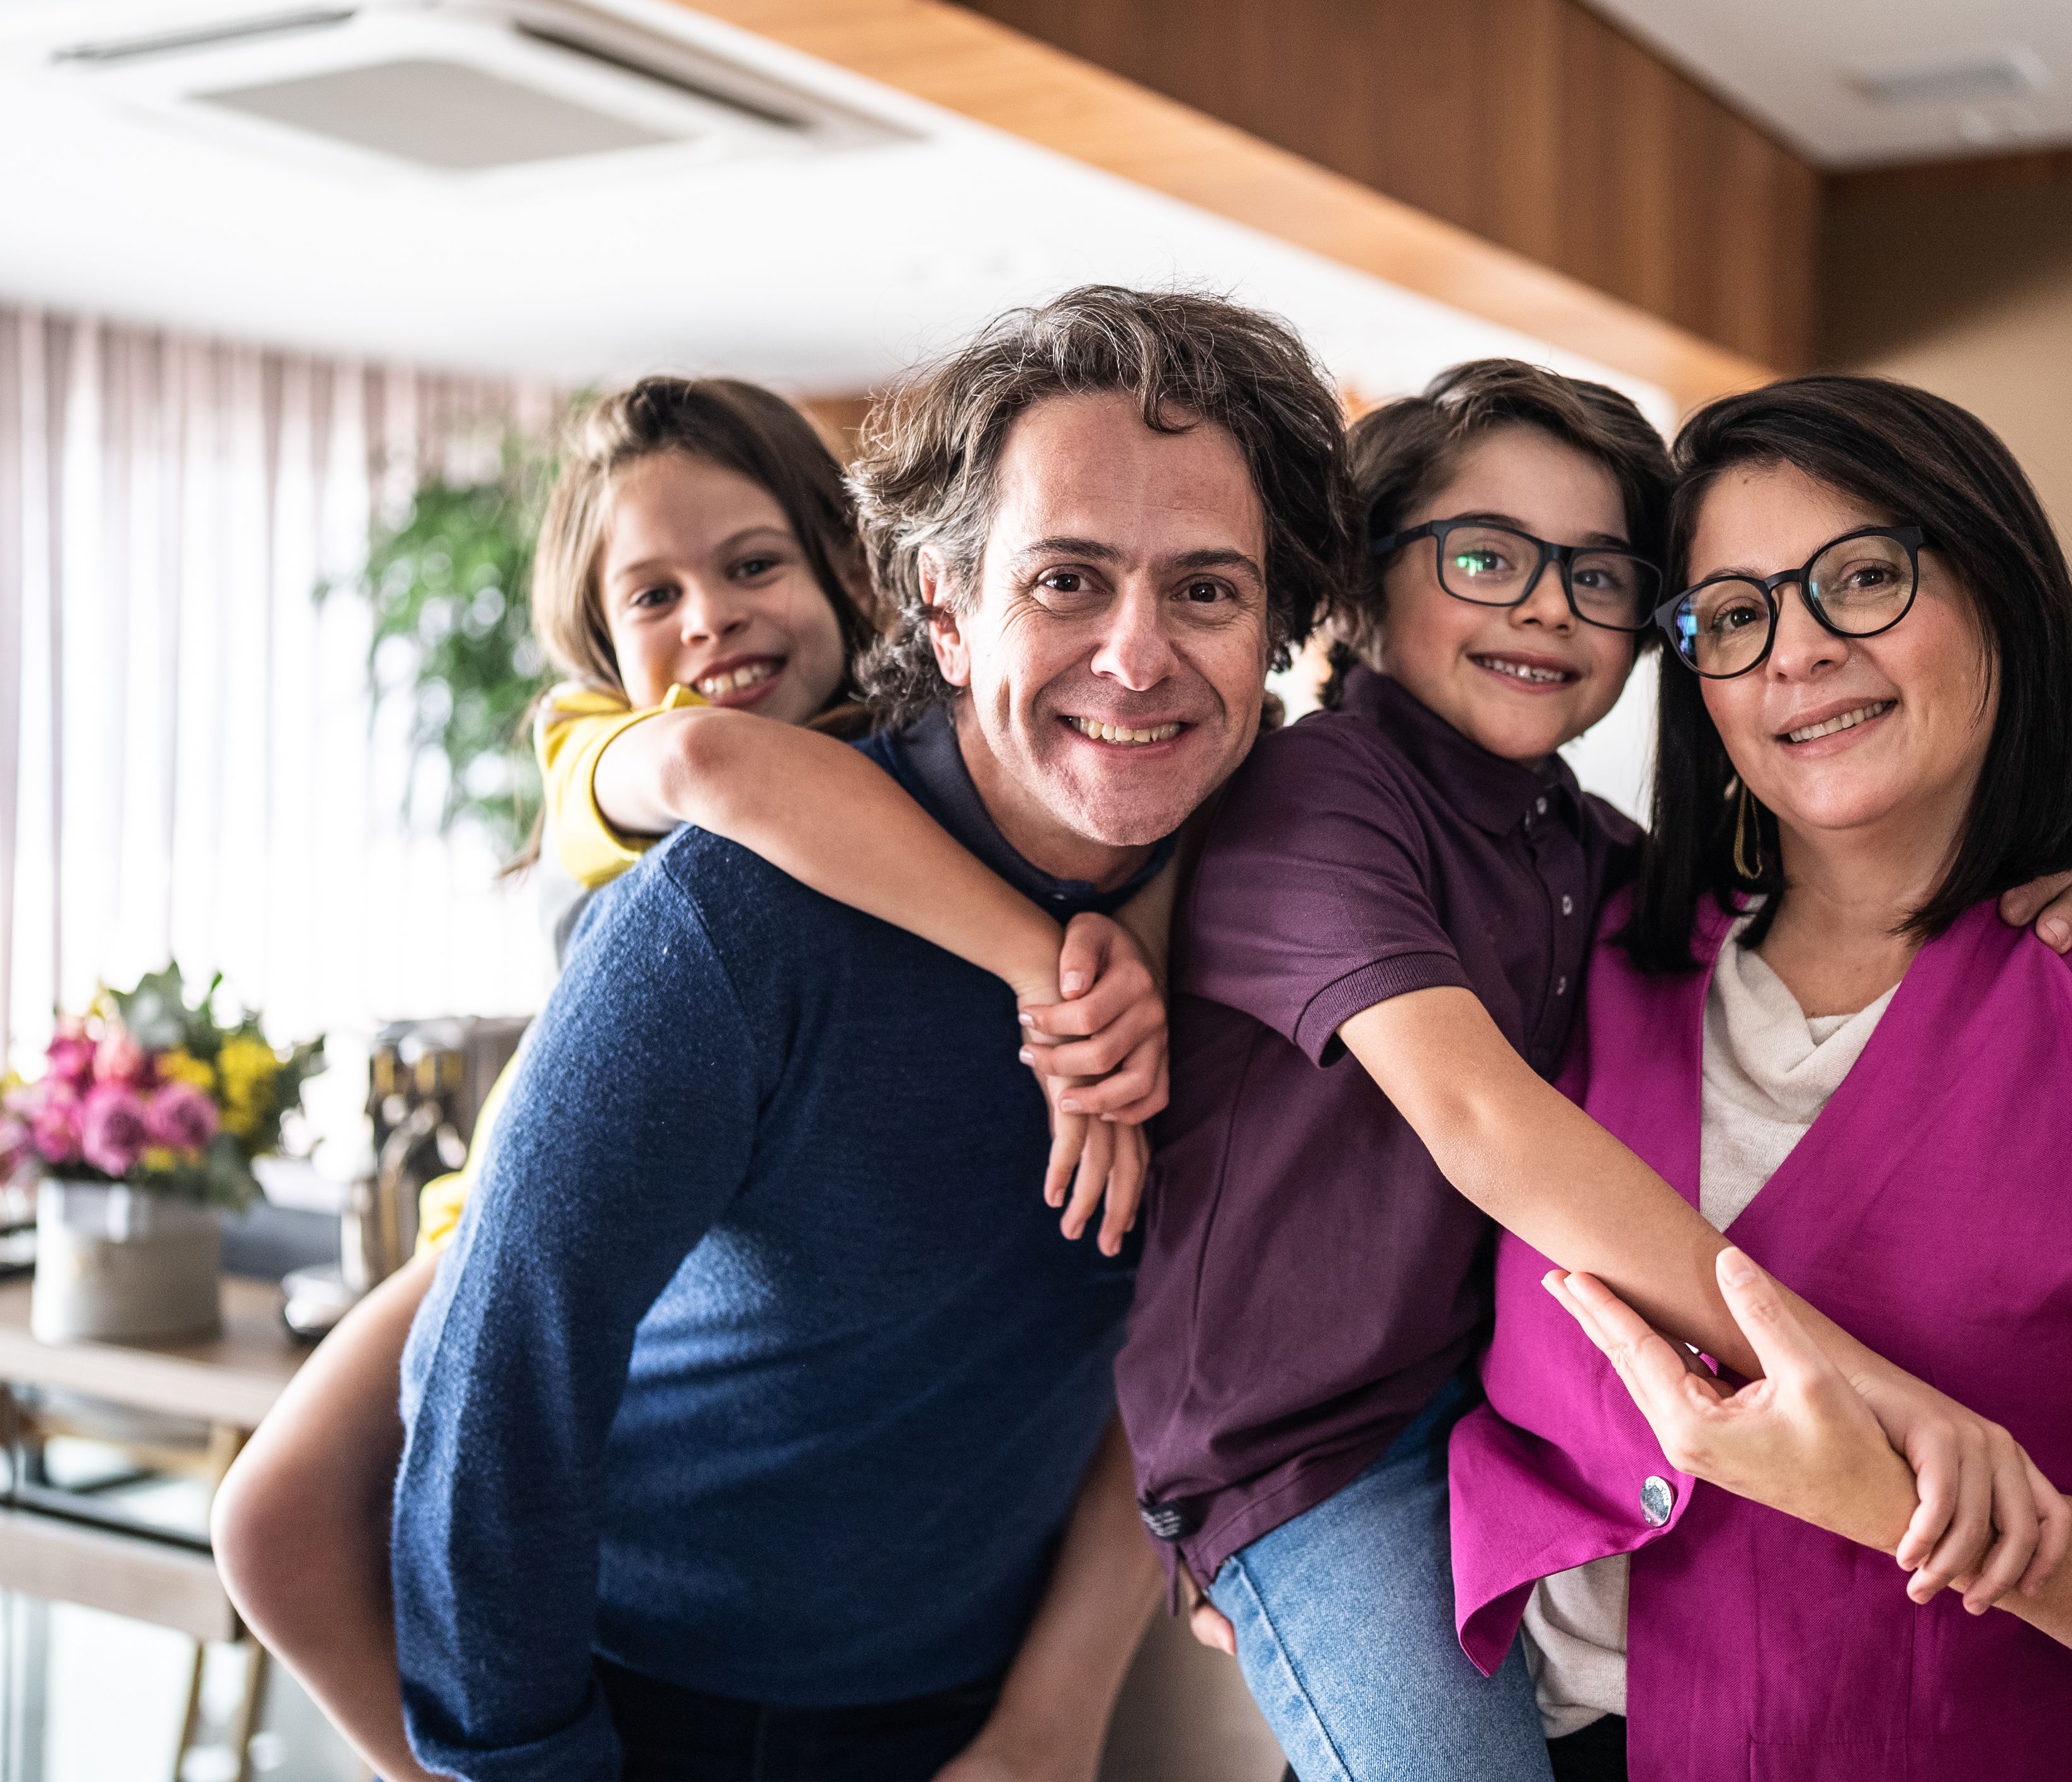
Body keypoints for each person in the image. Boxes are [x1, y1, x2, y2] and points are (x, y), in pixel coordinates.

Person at [1117, 362, 2072, 1781]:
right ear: (1364, 583)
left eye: (1598, 576)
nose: (1545, 607)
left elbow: (1824, 913)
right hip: (1311, 1459)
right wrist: (1875, 1399)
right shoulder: (1320, 793)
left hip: (1469, 1432)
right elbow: (1480, 1119)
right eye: (1484, 556)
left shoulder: (1582, 849)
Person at [376, 289, 1357, 1782]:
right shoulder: (732, 916)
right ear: (941, 610)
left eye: (1206, 590)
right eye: (1067, 580)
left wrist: (1045, 1719)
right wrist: (519, 1761)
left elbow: (1169, 1351)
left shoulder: (1268, 909)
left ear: (1271, 629)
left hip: (964, 1708)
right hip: (645, 1704)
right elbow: (505, 1372)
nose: (1136, 654)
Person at [1454, 374, 2072, 1779]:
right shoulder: (1567, 958)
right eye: (1732, 614)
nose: (1796, 650)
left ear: (2002, 598)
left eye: (1863, 576)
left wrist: (1929, 1516)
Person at [211, 370, 1178, 1782]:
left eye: (752, 566)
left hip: (892, 1613)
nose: (710, 618)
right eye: (653, 596)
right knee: (279, 1517)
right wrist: (1058, 980)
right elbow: (727, 767)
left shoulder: (922, 761)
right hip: (485, 1221)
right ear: (599, 643)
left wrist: (1126, 936)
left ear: (852, 575)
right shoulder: (609, 750)